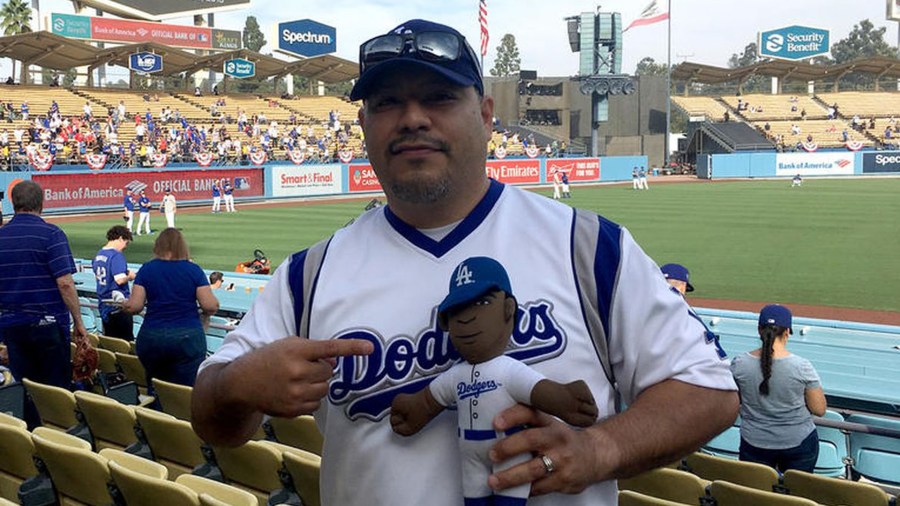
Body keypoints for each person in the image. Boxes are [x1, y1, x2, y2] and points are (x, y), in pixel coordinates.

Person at [191, 19, 737, 506]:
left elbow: (708, 388)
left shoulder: (588, 246)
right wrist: (236, 383)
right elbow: (213, 421)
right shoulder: (306, 277)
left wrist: (600, 449)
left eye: (439, 97)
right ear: (364, 123)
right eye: (387, 103)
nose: (412, 119)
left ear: (484, 114)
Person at [391, 256, 598, 505]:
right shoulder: (456, 375)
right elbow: (427, 402)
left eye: (482, 302)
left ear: (508, 309)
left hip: (509, 448)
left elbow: (539, 391)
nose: (467, 318)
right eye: (458, 310)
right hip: (469, 456)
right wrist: (412, 410)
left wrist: (568, 401)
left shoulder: (508, 370)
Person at [0, 180, 87, 428]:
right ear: (41, 203)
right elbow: (65, 284)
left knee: (27, 387)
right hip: (48, 325)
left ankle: (34, 437)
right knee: (56, 390)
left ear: (14, 203)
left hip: (12, 325)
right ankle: (58, 444)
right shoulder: (52, 234)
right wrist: (79, 323)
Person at [730, 304, 826, 474]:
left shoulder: (739, 364)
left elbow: (733, 400)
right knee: (796, 496)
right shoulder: (802, 366)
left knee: (756, 494)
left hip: (753, 440)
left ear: (759, 330)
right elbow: (819, 409)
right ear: (787, 332)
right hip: (798, 441)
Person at [123, 228, 219, 387]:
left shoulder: (147, 269)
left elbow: (135, 306)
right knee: (184, 391)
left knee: (156, 388)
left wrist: (124, 304)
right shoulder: (193, 270)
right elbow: (209, 305)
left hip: (152, 336)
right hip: (187, 337)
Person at [92, 225, 136, 341]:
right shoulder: (116, 255)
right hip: (118, 305)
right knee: (125, 343)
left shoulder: (99, 255)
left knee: (110, 342)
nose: (125, 247)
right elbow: (120, 279)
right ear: (121, 238)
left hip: (104, 304)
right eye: (126, 243)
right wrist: (130, 276)